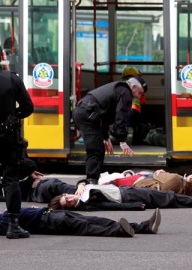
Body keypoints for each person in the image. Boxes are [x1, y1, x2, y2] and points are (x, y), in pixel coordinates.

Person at [73, 76, 147, 184]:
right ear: (134, 86)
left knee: (99, 148)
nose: (139, 97)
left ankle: (95, 179)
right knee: (95, 150)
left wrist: (106, 137)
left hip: (85, 113)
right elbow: (121, 116)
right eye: (139, 93)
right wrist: (122, 140)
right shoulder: (126, 92)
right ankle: (91, 182)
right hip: (87, 115)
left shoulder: (118, 88)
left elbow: (101, 115)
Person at [0, 68, 34, 239]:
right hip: (6, 136)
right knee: (10, 178)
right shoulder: (12, 79)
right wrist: (14, 115)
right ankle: (13, 225)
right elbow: (28, 107)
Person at [43, 179, 192, 211]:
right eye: (70, 204)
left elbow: (86, 180)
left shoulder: (80, 192)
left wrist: (81, 185)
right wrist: (133, 206)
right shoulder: (87, 203)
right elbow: (110, 206)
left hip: (127, 190)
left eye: (68, 198)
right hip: (129, 198)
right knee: (170, 199)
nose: (72, 200)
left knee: (168, 196)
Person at [0, 207, 161, 237]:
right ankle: (117, 231)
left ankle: (143, 227)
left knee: (94, 220)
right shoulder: (2, 221)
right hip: (47, 221)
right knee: (86, 226)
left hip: (51, 213)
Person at [121, 67, 147, 145]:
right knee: (133, 125)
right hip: (136, 110)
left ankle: (127, 137)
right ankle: (131, 137)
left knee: (127, 124)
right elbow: (143, 102)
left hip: (126, 111)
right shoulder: (138, 88)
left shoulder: (123, 86)